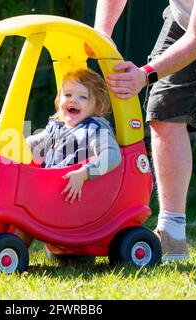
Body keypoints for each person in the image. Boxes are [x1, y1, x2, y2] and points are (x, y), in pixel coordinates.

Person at [94, 0, 196, 262]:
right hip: (184, 25)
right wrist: (102, 33)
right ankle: (172, 236)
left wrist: (144, 75)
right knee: (164, 113)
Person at [14, 68, 122, 246]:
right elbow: (34, 143)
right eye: (68, 94)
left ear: (97, 105)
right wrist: (14, 147)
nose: (73, 100)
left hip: (73, 197)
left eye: (83, 97)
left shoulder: (94, 129)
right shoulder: (57, 127)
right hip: (53, 189)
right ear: (59, 100)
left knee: (27, 209)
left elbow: (112, 156)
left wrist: (84, 173)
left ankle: (9, 249)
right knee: (15, 197)